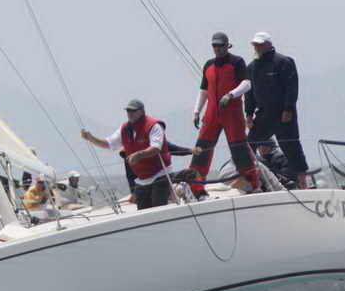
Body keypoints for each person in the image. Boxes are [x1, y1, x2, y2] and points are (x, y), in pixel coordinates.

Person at [189, 32, 259, 195]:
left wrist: (231, 95)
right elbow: (203, 90)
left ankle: (251, 181)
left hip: (232, 113)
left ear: (227, 45)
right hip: (212, 114)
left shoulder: (237, 62)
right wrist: (197, 111)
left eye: (220, 45)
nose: (217, 48)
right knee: (202, 148)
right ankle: (195, 185)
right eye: (215, 45)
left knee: (238, 147)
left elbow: (247, 84)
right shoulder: (208, 65)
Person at [244, 32, 310, 188]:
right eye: (255, 45)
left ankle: (303, 183)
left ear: (269, 44)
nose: (257, 47)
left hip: (283, 114)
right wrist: (249, 114)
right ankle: (250, 181)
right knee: (248, 145)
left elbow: (291, 87)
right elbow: (249, 93)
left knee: (292, 147)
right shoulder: (251, 68)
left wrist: (288, 108)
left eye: (260, 44)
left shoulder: (284, 62)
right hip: (264, 114)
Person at [81, 99, 173, 209]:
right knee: (143, 211)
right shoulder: (125, 128)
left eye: (133, 111)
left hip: (160, 174)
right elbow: (108, 144)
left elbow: (156, 148)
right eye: (128, 111)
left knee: (158, 207)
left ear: (142, 111)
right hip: (142, 180)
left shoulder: (154, 126)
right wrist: (91, 138)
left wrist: (139, 155)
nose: (130, 114)